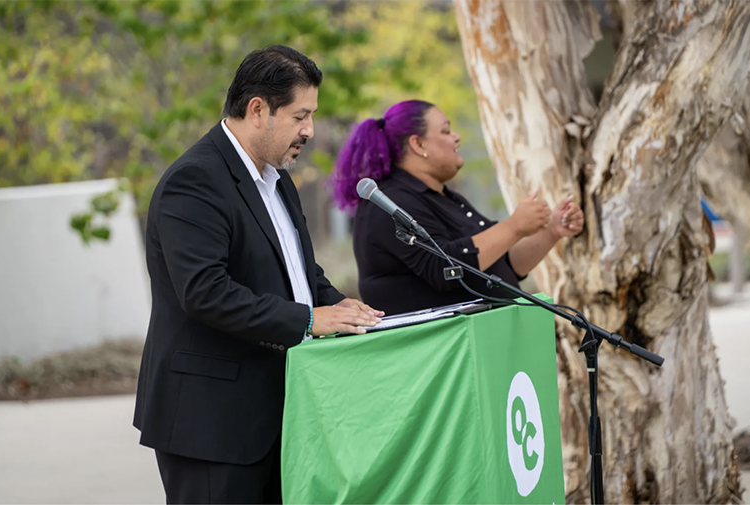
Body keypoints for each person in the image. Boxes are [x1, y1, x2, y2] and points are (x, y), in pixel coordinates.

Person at [133, 45, 383, 504]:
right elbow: (205, 292)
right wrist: (309, 320)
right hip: (210, 422)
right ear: (257, 110)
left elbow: (299, 274)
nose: (309, 130)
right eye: (300, 116)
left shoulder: (278, 178)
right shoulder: (194, 180)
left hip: (279, 415)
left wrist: (338, 305)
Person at [330, 100, 584, 315]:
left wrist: (552, 230)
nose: (456, 136)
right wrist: (514, 226)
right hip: (440, 356)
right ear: (418, 145)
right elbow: (445, 269)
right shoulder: (389, 202)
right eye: (445, 131)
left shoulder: (445, 196)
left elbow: (502, 264)